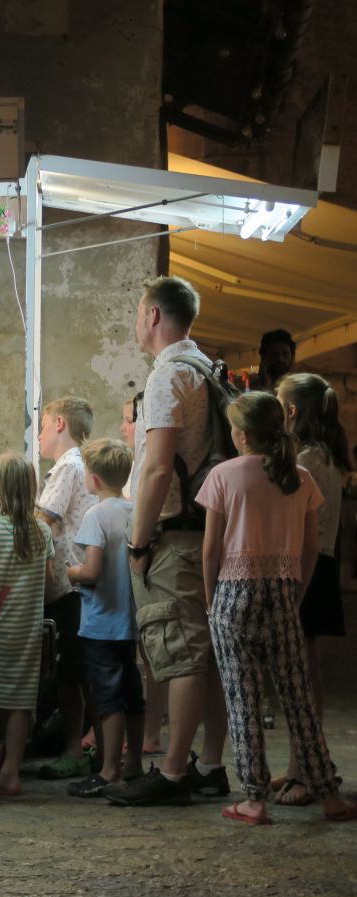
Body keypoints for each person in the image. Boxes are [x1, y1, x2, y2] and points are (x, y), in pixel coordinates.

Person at [197, 391, 356, 825]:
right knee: (298, 696)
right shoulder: (301, 477)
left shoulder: (223, 475)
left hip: (233, 592)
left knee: (242, 696)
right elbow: (311, 547)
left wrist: (211, 599)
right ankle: (329, 794)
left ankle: (253, 797)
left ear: (242, 434)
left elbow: (211, 548)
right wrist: (297, 593)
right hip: (283, 592)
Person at [106, 276, 229, 807]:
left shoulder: (167, 376)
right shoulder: (205, 368)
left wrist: (137, 545)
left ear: (153, 315)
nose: (137, 322)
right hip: (202, 530)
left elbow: (156, 468)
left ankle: (174, 771)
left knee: (179, 654)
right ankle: (210, 764)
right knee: (207, 654)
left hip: (172, 537)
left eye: (138, 313)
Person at [272, 373, 352, 806]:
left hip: (308, 566)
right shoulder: (320, 453)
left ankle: (308, 770)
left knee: (301, 672)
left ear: (292, 412)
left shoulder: (307, 458)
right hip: (314, 563)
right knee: (300, 668)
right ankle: (298, 764)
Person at [66, 439, 144, 797]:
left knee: (107, 697)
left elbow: (93, 570)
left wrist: (73, 572)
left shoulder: (96, 515)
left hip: (101, 623)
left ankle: (109, 769)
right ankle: (134, 763)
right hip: (130, 620)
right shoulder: (134, 510)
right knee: (131, 694)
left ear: (93, 479)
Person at [0, 452, 54, 798]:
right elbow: (50, 581)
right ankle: (11, 771)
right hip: (28, 626)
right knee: (22, 699)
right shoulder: (42, 530)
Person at [35, 396, 98, 781]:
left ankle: (77, 749)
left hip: (69, 585)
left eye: (42, 426)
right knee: (74, 674)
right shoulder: (80, 465)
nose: (40, 435)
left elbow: (44, 522)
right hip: (76, 585)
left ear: (59, 423)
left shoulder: (67, 468)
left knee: (71, 676)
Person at [124, 391, 167, 755]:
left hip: (148, 556)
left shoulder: (148, 460)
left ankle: (152, 730)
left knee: (152, 651)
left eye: (129, 419)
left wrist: (138, 547)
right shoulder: (137, 461)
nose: (125, 427)